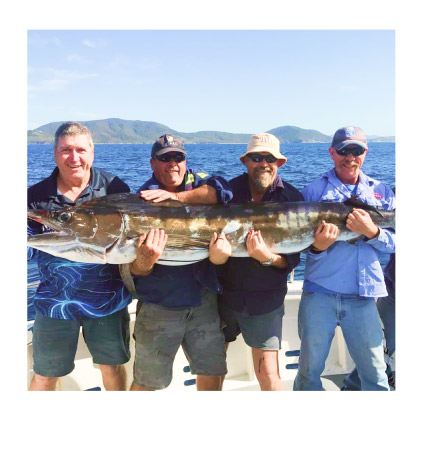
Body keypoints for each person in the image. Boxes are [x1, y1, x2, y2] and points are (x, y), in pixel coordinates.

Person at [28, 122, 132, 391]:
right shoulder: (35, 197)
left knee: (112, 368)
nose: (74, 158)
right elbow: (27, 247)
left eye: (80, 150)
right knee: (44, 375)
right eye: (66, 150)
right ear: (54, 153)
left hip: (108, 301)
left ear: (92, 152)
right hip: (54, 302)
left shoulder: (115, 187)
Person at [293, 126, 395, 391]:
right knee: (308, 373)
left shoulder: (382, 191)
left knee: (375, 373)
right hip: (319, 295)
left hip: (364, 297)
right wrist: (318, 247)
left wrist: (372, 232)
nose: (350, 157)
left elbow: (399, 242)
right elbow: (295, 243)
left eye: (356, 150)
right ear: (332, 153)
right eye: (343, 151)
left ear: (365, 153)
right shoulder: (312, 191)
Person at [129, 134, 233, 391]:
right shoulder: (141, 200)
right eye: (165, 158)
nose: (172, 163)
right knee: (147, 384)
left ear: (186, 162)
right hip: (159, 306)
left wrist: (177, 198)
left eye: (178, 157)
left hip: (204, 302)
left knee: (211, 374)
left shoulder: (199, 182)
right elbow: (134, 269)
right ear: (153, 164)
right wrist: (144, 261)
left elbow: (223, 191)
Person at [217, 133, 303, 391]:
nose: (263, 163)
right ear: (246, 161)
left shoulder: (292, 198)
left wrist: (267, 258)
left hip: (266, 297)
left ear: (279, 163)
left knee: (267, 372)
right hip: (223, 295)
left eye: (270, 158)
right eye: (257, 157)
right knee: (213, 368)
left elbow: (291, 260)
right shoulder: (226, 194)